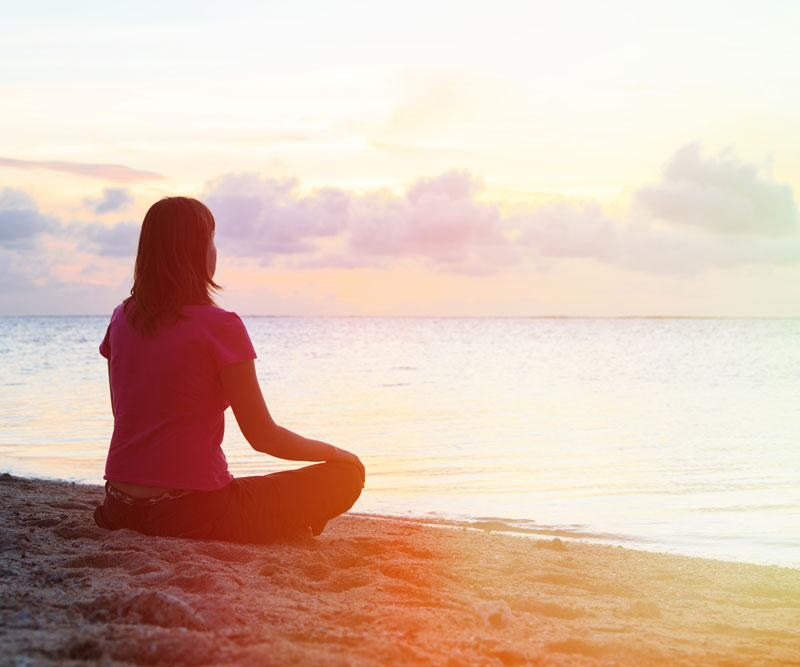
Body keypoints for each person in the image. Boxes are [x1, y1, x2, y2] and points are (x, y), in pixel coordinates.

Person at [93, 196, 364, 542]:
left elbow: (123, 413)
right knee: (345, 478)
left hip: (119, 508)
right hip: (191, 513)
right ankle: (289, 523)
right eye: (211, 240)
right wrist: (340, 455)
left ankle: (285, 523)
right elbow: (263, 436)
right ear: (195, 252)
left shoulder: (121, 318)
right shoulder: (220, 327)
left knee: (258, 492)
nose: (214, 250)